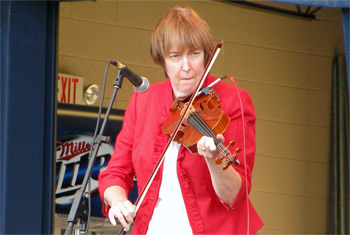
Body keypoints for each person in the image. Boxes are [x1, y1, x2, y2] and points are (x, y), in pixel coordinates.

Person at [98, 6, 263, 234]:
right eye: (175, 56)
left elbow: (235, 195)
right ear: (162, 61)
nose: (186, 67)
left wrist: (214, 159)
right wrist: (118, 201)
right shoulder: (145, 100)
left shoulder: (233, 99)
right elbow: (115, 173)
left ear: (206, 54)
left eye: (194, 54)